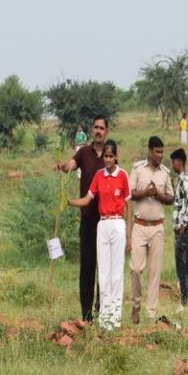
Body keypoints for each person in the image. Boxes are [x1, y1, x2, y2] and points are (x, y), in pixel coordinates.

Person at [67, 140, 131, 331]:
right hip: (103, 224)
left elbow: (128, 204)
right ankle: (104, 318)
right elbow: (88, 199)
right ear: (103, 157)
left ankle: (114, 318)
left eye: (111, 156)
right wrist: (69, 201)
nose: (108, 159)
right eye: (106, 156)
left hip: (118, 223)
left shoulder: (123, 175)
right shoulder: (98, 176)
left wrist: (128, 233)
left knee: (116, 272)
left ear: (116, 157)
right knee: (103, 272)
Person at [56, 117, 107, 322]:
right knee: (87, 268)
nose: (98, 131)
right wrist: (63, 166)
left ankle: (102, 312)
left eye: (102, 128)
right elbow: (72, 163)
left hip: (106, 222)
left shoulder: (110, 154)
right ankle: (86, 317)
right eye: (95, 127)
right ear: (91, 130)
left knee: (103, 270)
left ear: (107, 131)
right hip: (87, 220)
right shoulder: (84, 152)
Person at [130, 136, 174, 322]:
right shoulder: (138, 169)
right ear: (149, 152)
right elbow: (130, 193)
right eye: (157, 152)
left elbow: (171, 198)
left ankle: (151, 313)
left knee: (154, 272)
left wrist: (159, 195)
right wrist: (145, 193)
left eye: (162, 152)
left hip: (157, 227)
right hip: (139, 226)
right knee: (136, 269)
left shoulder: (165, 172)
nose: (160, 155)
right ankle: (136, 305)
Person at [171, 148, 188, 310]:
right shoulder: (180, 179)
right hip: (181, 229)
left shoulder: (183, 179)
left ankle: (185, 302)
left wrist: (183, 223)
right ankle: (186, 299)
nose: (173, 164)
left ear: (181, 162)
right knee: (183, 264)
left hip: (182, 230)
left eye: (174, 161)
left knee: (181, 265)